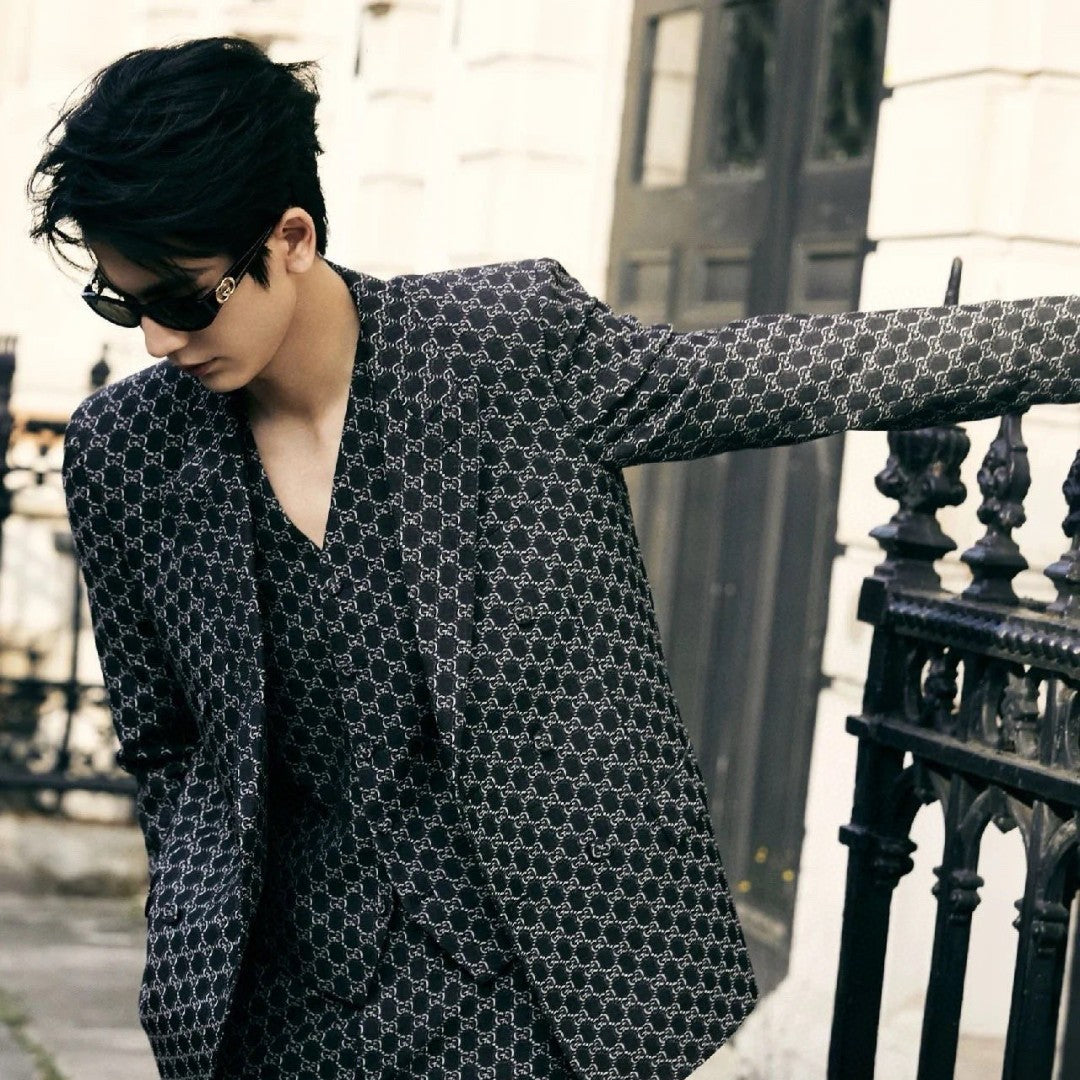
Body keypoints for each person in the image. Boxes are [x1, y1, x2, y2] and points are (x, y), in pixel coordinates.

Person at [28, 35, 1080, 1080]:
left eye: (181, 298)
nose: (155, 339)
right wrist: (196, 917)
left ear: (291, 237)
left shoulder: (504, 352)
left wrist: (1063, 341)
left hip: (540, 994)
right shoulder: (127, 454)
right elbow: (163, 742)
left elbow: (782, 373)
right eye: (121, 301)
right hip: (284, 1013)